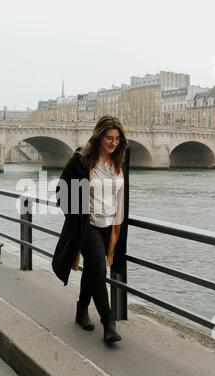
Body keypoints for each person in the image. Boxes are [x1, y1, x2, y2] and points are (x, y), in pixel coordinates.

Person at [52, 116, 129, 344]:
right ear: (98, 137)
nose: (113, 143)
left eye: (117, 139)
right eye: (109, 138)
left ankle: (81, 310)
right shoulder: (81, 161)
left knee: (93, 270)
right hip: (88, 226)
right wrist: (77, 218)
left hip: (111, 225)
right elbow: (62, 191)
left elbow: (122, 194)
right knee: (99, 269)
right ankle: (109, 323)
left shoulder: (120, 161)